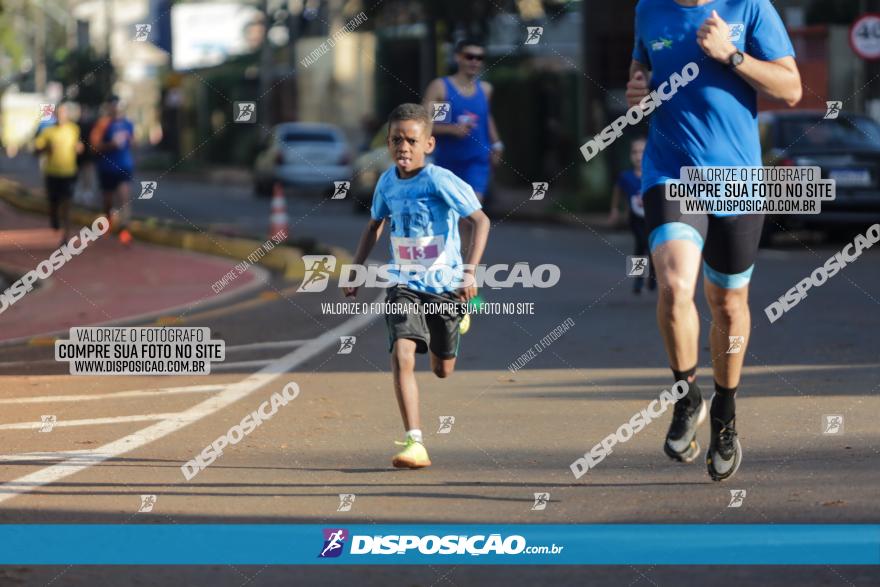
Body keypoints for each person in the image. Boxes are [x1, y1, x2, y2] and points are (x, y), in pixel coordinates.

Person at [626, 0, 801, 480]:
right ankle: (687, 395)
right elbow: (640, 70)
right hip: (670, 170)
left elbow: (791, 88)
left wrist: (732, 55)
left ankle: (725, 411)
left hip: (737, 178)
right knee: (676, 283)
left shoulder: (750, 7)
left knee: (726, 303)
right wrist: (638, 89)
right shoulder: (648, 10)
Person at [344, 103, 490, 469]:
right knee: (403, 355)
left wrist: (469, 273)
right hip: (403, 284)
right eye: (396, 140)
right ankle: (415, 442)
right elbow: (374, 224)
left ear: (428, 144)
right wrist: (356, 268)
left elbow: (481, 220)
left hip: (444, 285)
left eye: (411, 140)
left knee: (443, 370)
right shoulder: (386, 182)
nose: (403, 147)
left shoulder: (440, 180)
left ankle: (460, 319)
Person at [423, 38, 502, 253]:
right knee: (449, 221)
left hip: (476, 163)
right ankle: (447, 269)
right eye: (469, 56)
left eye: (479, 57)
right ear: (458, 57)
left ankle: (466, 276)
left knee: (470, 218)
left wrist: (497, 144)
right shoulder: (443, 88)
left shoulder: (485, 90)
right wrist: (451, 129)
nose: (474, 61)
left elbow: (487, 118)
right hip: (448, 164)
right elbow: (425, 125)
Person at [609, 137, 656, 294]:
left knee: (653, 248)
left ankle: (653, 277)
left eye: (642, 152)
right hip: (635, 220)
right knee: (640, 245)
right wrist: (615, 209)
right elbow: (617, 191)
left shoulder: (654, 174)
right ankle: (638, 281)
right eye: (634, 152)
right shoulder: (626, 177)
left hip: (653, 218)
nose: (638, 156)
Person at [34, 103, 83, 244]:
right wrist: (46, 148)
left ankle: (66, 237)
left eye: (64, 113)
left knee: (67, 204)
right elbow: (36, 149)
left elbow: (79, 146)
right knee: (53, 202)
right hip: (52, 172)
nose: (62, 116)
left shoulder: (74, 129)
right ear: (55, 115)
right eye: (59, 113)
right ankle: (54, 219)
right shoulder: (48, 131)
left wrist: (79, 148)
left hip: (69, 172)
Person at [90, 96, 135, 244]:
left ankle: (125, 229)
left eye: (118, 105)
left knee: (124, 196)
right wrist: (111, 145)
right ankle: (108, 219)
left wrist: (130, 142)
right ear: (109, 107)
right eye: (113, 106)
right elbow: (95, 146)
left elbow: (133, 142)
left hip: (124, 166)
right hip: (107, 167)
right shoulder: (103, 124)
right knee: (108, 200)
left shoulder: (128, 124)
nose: (116, 108)